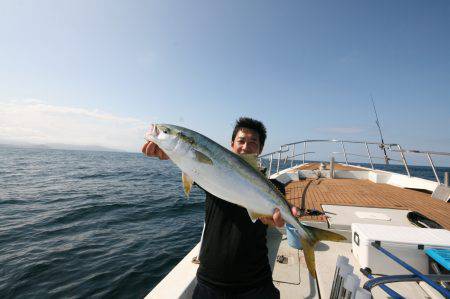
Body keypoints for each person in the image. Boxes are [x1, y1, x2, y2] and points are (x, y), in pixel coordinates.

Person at [142, 117, 297, 299]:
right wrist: (169, 153)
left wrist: (276, 223)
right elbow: (194, 163)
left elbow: (275, 221)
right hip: (210, 280)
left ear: (260, 149)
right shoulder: (211, 175)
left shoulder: (275, 186)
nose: (246, 146)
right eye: (241, 141)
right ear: (232, 144)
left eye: (253, 142)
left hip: (255, 281)